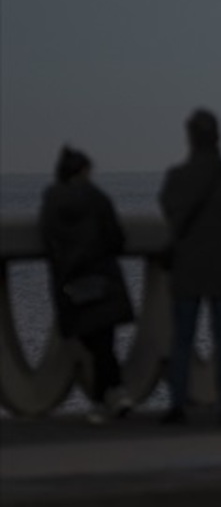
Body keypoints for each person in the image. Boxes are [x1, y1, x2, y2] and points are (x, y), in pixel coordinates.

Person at [158, 109, 221, 425]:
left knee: (182, 339)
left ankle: (176, 405)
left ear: (189, 138)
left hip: (188, 266)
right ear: (218, 137)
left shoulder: (177, 177)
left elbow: (169, 211)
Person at [40, 146, 135, 424]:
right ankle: (107, 399)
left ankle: (112, 397)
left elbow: (49, 242)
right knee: (103, 343)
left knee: (96, 343)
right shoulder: (97, 198)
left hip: (71, 282)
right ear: (83, 171)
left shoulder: (51, 201)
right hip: (101, 278)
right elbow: (115, 238)